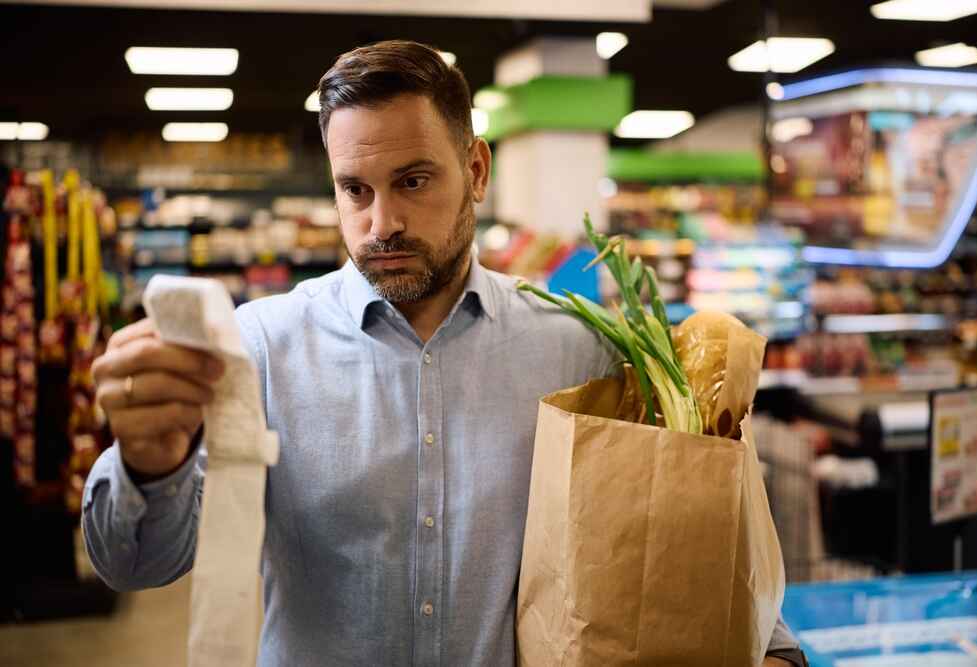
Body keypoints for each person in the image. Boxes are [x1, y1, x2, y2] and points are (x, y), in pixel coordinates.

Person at [83, 40, 804, 666]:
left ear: (477, 171)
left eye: (413, 181)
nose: (381, 222)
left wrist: (768, 642)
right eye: (354, 190)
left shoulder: (578, 345)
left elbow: (676, 520)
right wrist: (152, 464)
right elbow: (136, 563)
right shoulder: (261, 347)